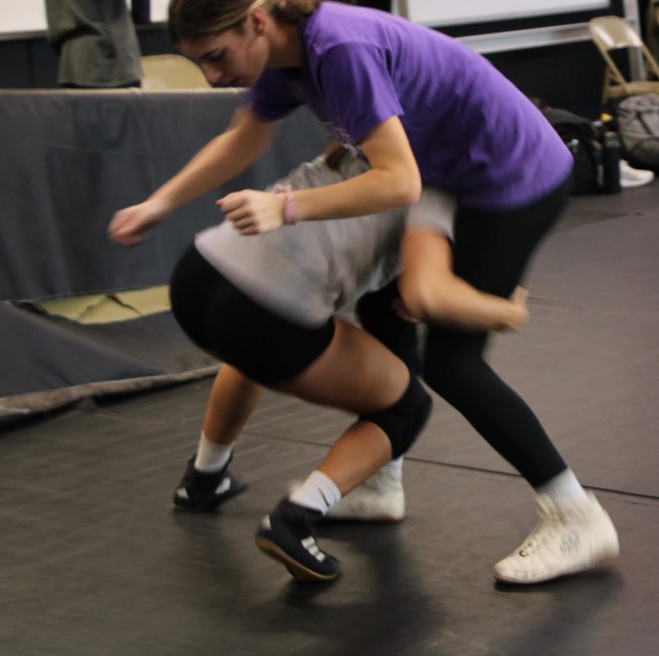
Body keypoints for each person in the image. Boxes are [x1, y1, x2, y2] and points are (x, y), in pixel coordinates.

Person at [108, 0, 618, 584]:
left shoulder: (336, 48)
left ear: (257, 22)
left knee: (452, 363)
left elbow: (400, 182)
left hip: (511, 177)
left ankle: (576, 515)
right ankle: (380, 485)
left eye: (216, 56)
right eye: (201, 62)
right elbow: (243, 137)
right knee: (382, 309)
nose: (213, 75)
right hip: (450, 173)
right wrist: (160, 202)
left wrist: (286, 207)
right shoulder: (283, 52)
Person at [166, 145, 530, 582]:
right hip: (262, 315)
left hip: (198, 275)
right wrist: (508, 312)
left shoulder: (361, 142)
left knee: (247, 356)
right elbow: (426, 294)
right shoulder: (435, 182)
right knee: (406, 408)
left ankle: (203, 478)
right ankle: (295, 519)